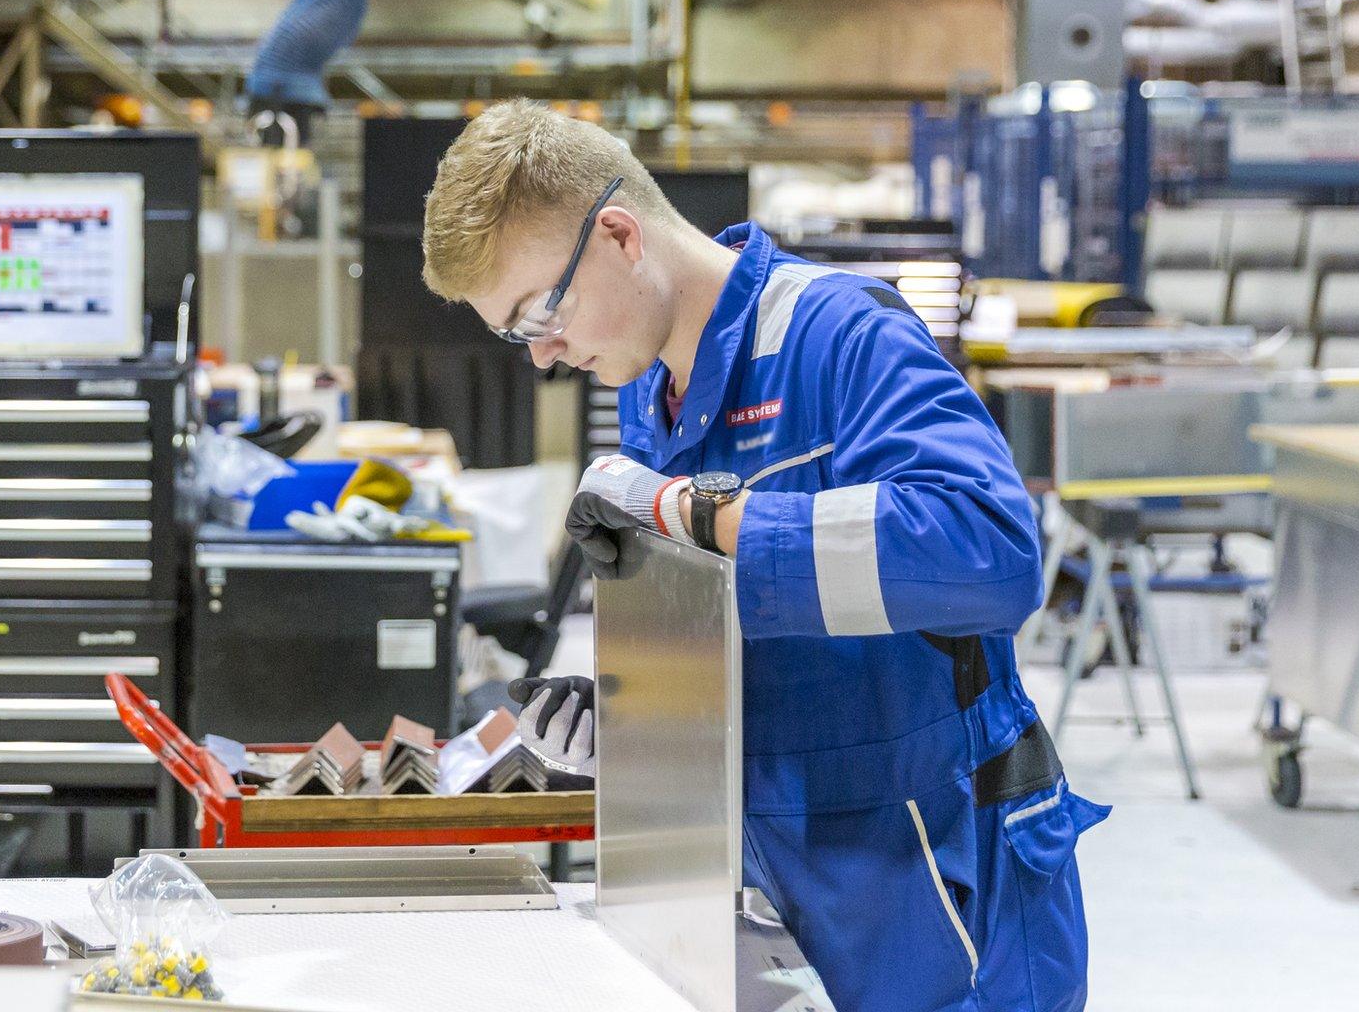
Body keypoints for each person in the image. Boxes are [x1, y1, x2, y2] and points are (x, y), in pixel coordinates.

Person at [419, 100, 1108, 1012]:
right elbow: (745, 633)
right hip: (768, 891)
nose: (544, 354)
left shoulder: (842, 338)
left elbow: (991, 549)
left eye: (542, 311)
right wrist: (636, 719)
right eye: (516, 335)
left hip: (935, 891)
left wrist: (696, 512)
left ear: (619, 234)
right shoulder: (650, 395)